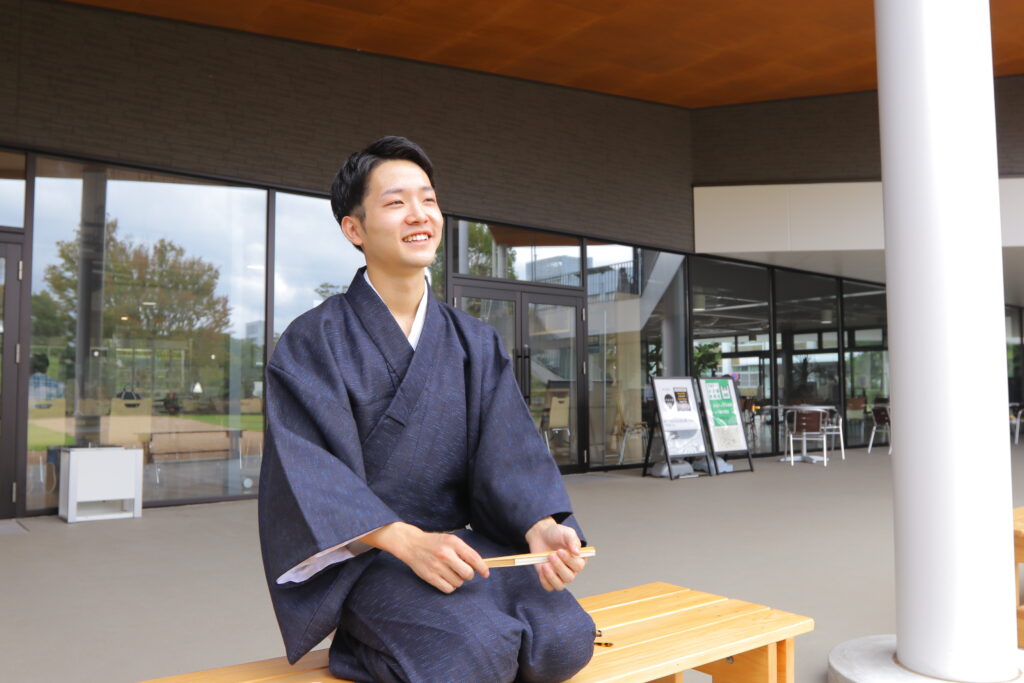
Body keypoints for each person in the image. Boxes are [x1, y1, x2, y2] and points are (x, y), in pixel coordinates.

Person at [258, 136, 595, 682]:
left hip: (456, 545)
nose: (420, 215)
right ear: (355, 229)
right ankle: (362, 647)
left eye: (429, 200)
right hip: (372, 555)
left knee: (564, 639)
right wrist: (403, 540)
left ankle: (394, 648)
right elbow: (309, 469)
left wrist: (540, 525)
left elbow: (508, 450)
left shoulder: (473, 340)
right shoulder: (314, 339)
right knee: (471, 651)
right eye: (396, 203)